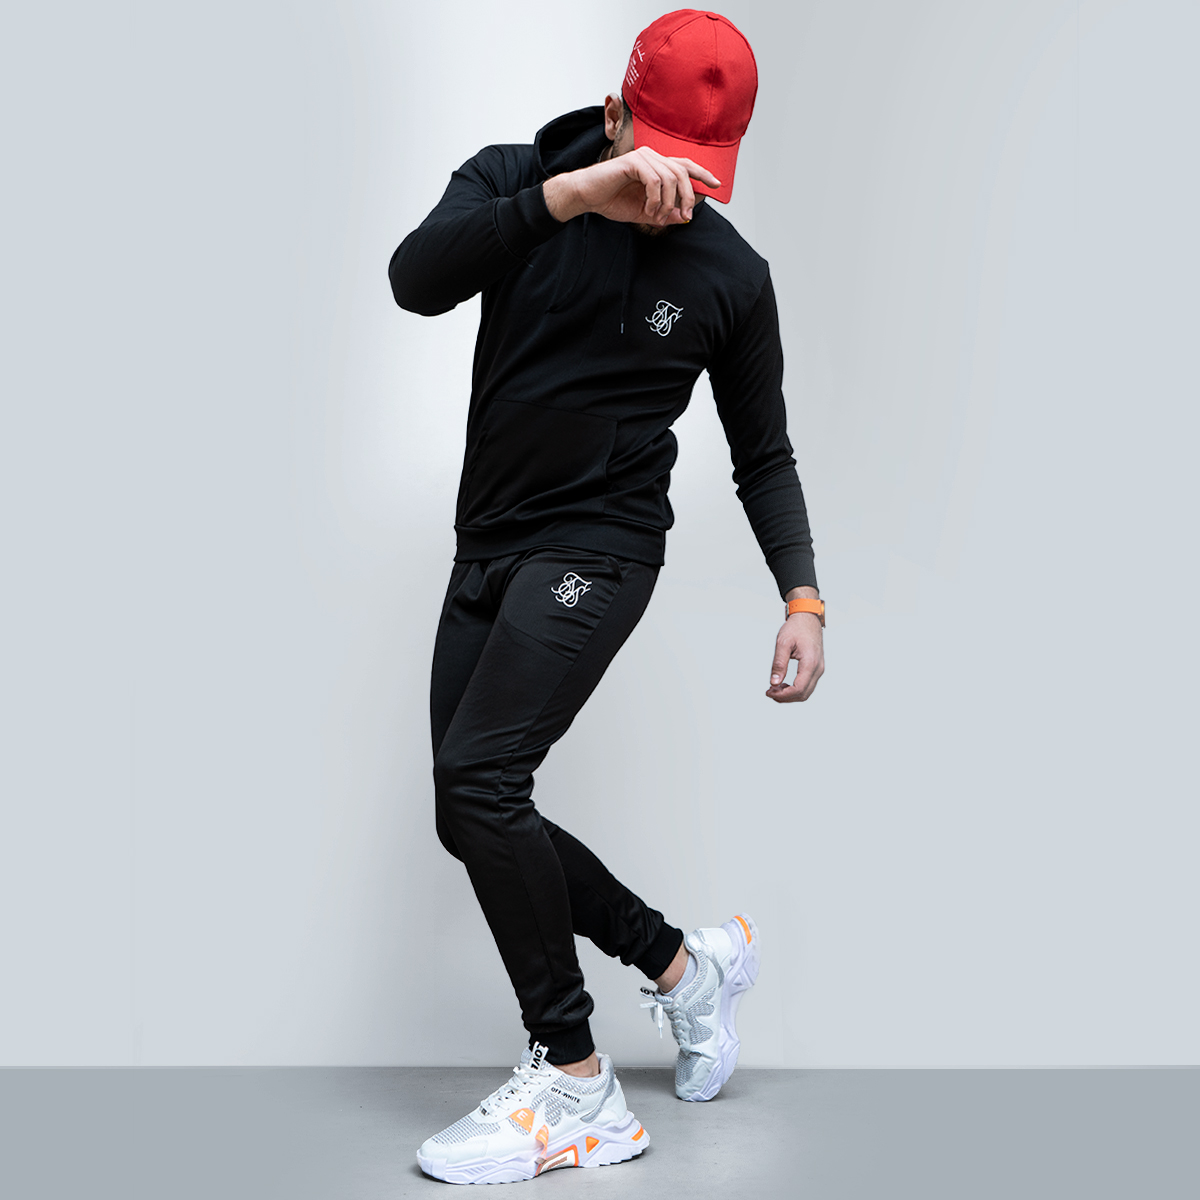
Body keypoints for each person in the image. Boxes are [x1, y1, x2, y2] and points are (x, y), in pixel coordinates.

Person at [389, 9, 824, 1186]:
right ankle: (686, 966)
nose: (678, 194)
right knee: (468, 809)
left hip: (603, 546)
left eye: (703, 171)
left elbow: (764, 454)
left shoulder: (731, 276)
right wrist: (576, 197)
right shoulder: (514, 182)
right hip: (488, 544)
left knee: (481, 779)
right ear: (618, 114)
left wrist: (803, 595)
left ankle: (577, 1083)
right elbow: (414, 281)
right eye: (662, 160)